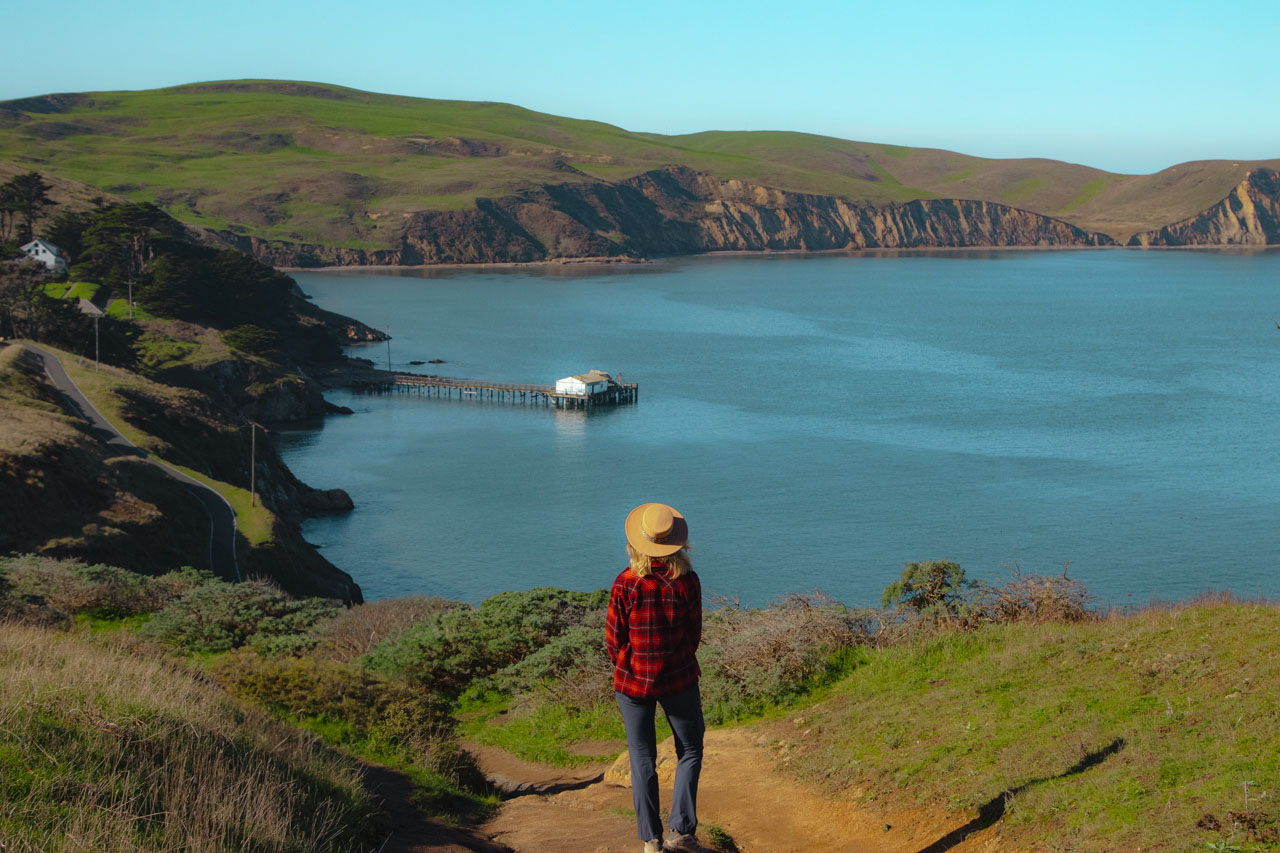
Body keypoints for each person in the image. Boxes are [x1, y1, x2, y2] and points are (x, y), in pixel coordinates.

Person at [606, 502, 706, 853]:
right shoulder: (687, 581)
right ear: (678, 543)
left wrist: (628, 664)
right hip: (679, 679)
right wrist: (675, 660)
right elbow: (694, 633)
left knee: (642, 756)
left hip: (632, 683)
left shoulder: (626, 583)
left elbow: (613, 638)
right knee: (690, 749)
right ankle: (683, 832)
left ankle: (651, 841)